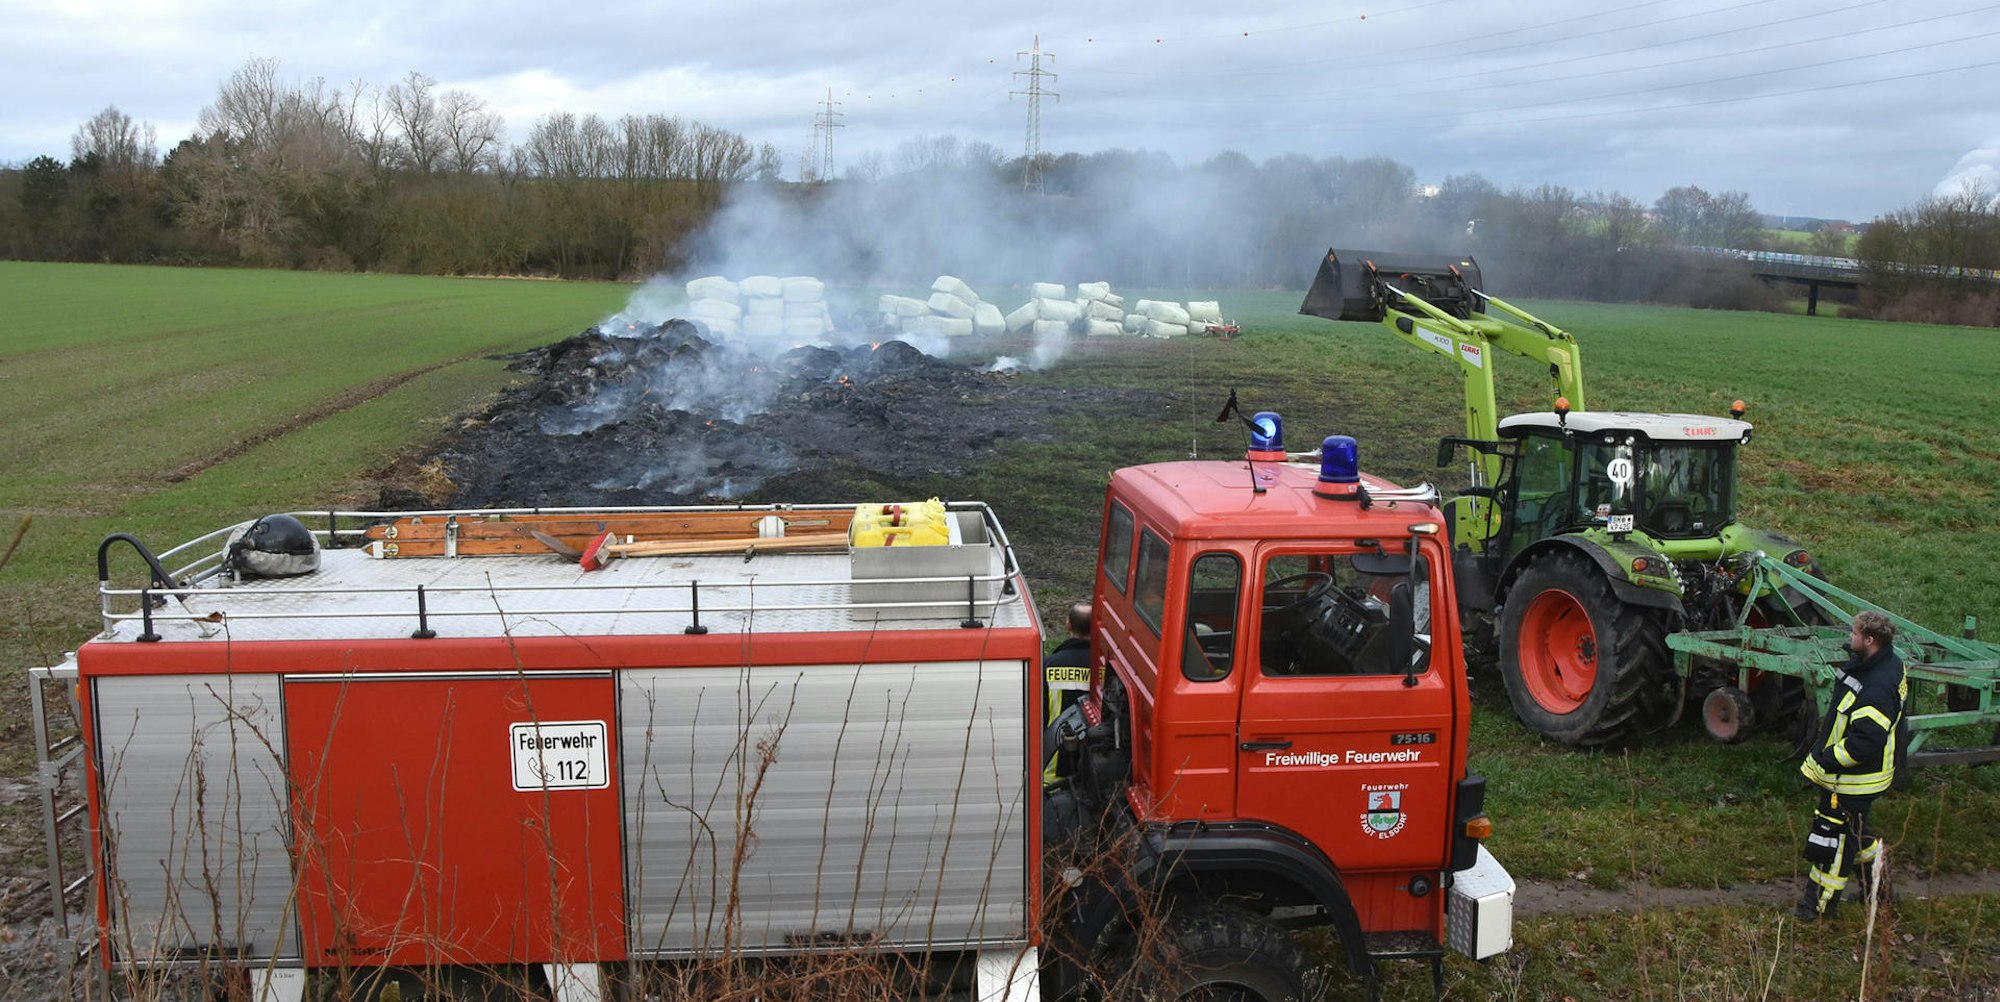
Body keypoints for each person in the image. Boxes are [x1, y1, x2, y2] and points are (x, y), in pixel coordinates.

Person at [1793, 609, 1906, 922]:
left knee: (1834, 843)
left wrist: (1826, 760)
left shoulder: (1876, 687)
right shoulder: (1887, 664)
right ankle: (1880, 892)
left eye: (1854, 634)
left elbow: (1863, 743)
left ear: (1870, 640)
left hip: (1852, 780)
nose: (1849, 637)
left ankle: (1816, 908)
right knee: (1857, 834)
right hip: (1863, 777)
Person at [1042, 603, 1093, 787]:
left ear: (1068, 626)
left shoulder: (1048, 665)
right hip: (1095, 764)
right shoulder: (1106, 667)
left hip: (1053, 763)